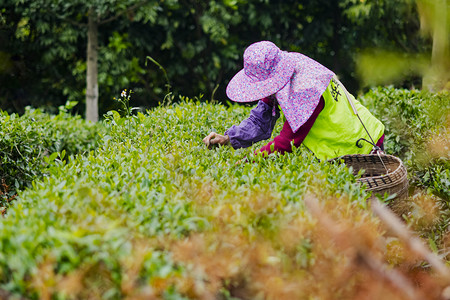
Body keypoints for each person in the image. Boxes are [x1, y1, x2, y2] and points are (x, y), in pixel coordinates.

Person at [203, 41, 385, 161]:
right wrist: (228, 138)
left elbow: (287, 142)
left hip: (360, 142)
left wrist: (250, 160)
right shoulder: (282, 69)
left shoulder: (305, 89)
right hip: (342, 143)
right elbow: (260, 119)